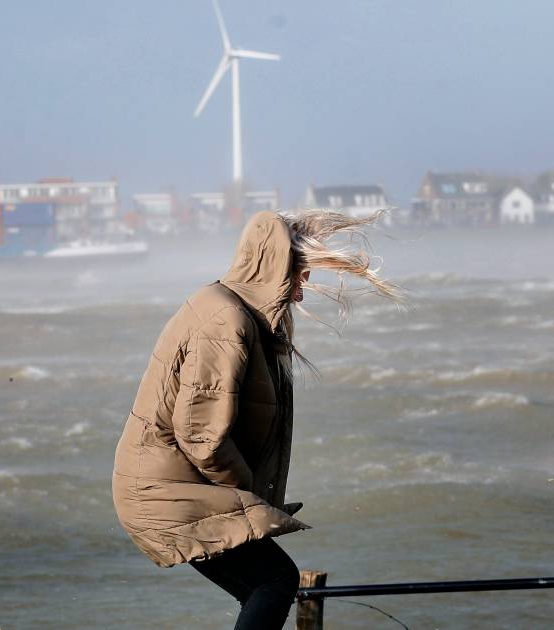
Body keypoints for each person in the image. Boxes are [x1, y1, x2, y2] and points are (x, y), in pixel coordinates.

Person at [112, 210, 397, 629]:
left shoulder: (232, 310)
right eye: (300, 273)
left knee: (264, 585)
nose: (302, 289)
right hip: (166, 492)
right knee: (274, 581)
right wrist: (246, 491)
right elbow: (201, 435)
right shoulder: (226, 320)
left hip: (170, 484)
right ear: (275, 266)